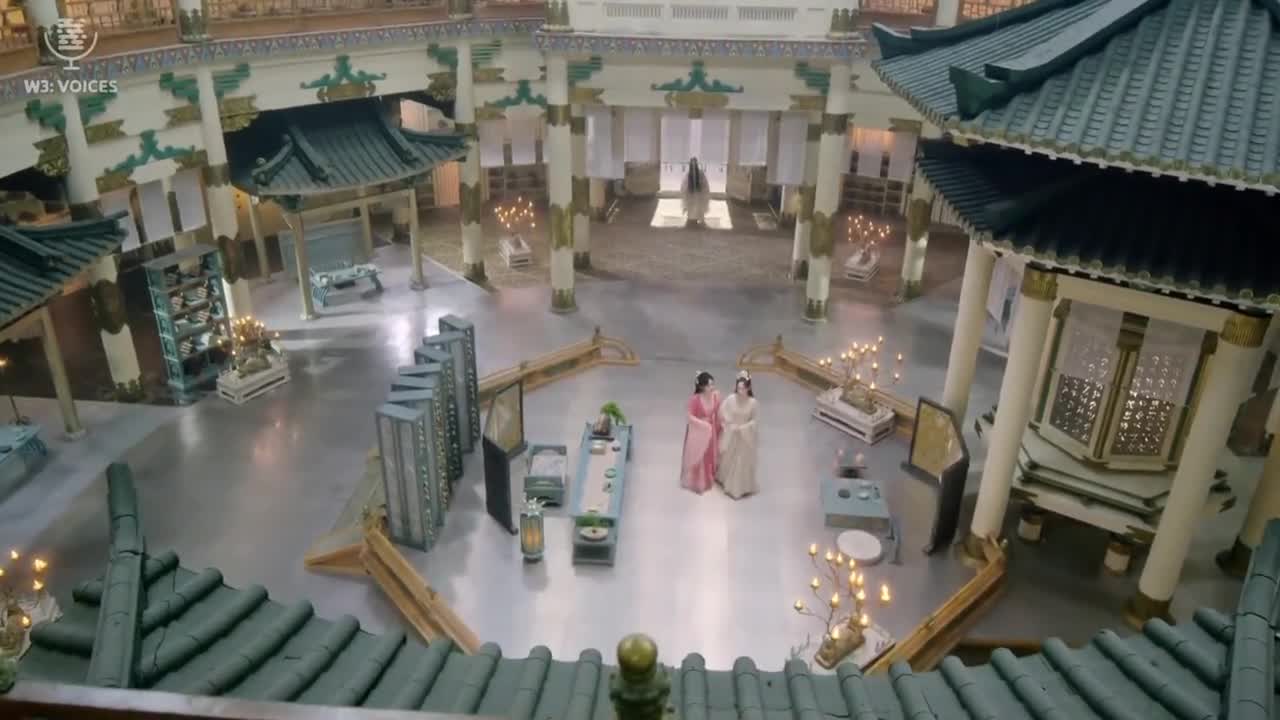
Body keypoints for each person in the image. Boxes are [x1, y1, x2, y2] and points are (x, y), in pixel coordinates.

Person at [718, 371, 759, 499]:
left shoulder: (753, 403)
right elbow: (722, 411)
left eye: (743, 388)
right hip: (732, 432)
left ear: (748, 388)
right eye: (738, 388)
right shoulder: (731, 398)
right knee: (728, 457)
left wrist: (743, 428)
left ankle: (738, 487)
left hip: (744, 436)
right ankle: (725, 479)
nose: (740, 391)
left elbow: (755, 421)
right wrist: (729, 423)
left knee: (740, 461)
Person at [680, 370, 720, 493]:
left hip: (711, 430)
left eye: (712, 384)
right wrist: (703, 424)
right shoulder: (695, 399)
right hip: (699, 431)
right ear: (702, 387)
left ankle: (708, 477)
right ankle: (698, 480)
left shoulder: (715, 396)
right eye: (709, 385)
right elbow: (689, 416)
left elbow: (718, 411)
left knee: (708, 453)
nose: (712, 387)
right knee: (699, 454)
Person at [681, 157, 710, 227]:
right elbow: (684, 186)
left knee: (698, 208)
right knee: (692, 210)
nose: (693, 166)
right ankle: (692, 219)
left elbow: (705, 185)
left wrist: (702, 192)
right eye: (692, 164)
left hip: (699, 195)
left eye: (694, 164)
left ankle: (696, 218)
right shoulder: (689, 174)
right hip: (691, 196)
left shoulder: (700, 173)